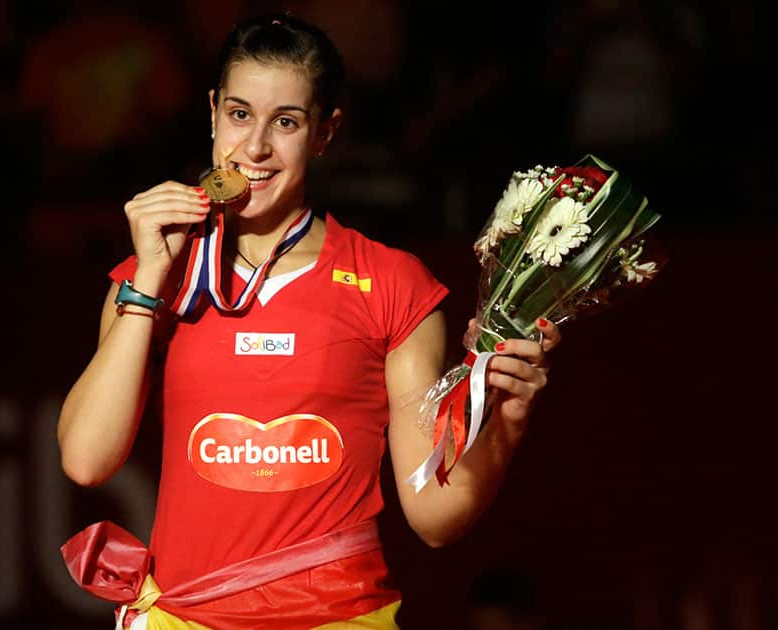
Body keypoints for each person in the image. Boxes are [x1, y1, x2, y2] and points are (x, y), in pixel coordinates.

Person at [56, 13, 559, 629]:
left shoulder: (392, 284)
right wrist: (150, 279)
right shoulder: (156, 272)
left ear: (325, 132)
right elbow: (85, 460)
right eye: (239, 115)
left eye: (286, 122)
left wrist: (504, 420)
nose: (256, 148)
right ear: (213, 113)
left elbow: (434, 517)